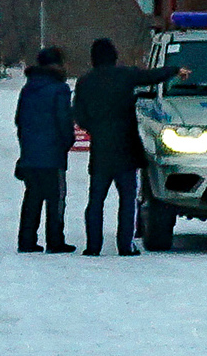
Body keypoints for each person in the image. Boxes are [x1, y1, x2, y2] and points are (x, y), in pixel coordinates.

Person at [71, 38, 186, 256]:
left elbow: (79, 114)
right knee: (127, 200)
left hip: (101, 151)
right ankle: (125, 245)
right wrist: (175, 69)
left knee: (95, 201)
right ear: (114, 56)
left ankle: (93, 246)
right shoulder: (125, 75)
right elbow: (151, 75)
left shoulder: (85, 82)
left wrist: (94, 128)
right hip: (126, 148)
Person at [15, 47, 75, 254]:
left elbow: (19, 121)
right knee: (55, 198)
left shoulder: (28, 88)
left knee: (32, 197)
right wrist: (67, 142)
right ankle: (55, 240)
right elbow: (64, 121)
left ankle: (26, 239)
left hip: (30, 154)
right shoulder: (60, 89)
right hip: (53, 154)